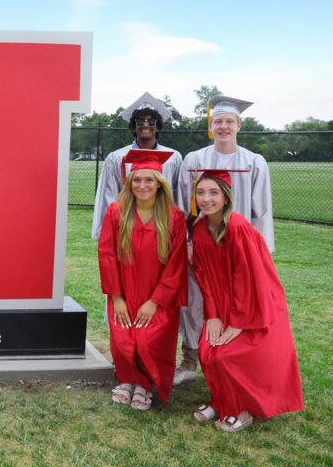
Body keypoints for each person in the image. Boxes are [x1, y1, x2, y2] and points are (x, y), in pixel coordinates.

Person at [189, 170, 302, 431]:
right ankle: (220, 400)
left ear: (226, 198)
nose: (206, 199)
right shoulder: (199, 228)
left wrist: (238, 322)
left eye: (213, 193)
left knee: (227, 355)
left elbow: (249, 278)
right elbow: (203, 275)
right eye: (201, 192)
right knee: (208, 350)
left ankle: (241, 410)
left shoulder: (238, 228)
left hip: (254, 303)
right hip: (221, 303)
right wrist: (213, 314)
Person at [173, 95, 275, 386]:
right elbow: (182, 207)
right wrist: (187, 244)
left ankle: (235, 361)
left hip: (239, 247)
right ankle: (190, 360)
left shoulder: (254, 162)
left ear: (239, 125)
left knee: (236, 303)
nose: (223, 126)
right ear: (211, 126)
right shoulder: (195, 160)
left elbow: (262, 212)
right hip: (202, 247)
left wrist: (260, 254)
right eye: (218, 121)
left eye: (229, 121)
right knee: (194, 301)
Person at [98, 149, 187, 410]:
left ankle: (145, 382)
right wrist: (117, 297)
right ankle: (128, 380)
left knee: (149, 341)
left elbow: (176, 263)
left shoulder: (174, 217)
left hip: (158, 294)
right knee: (123, 339)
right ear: (129, 183)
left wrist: (156, 301)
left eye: (149, 180)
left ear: (160, 183)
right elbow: (106, 254)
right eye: (137, 180)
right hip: (124, 289)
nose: (142, 185)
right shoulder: (117, 211)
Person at [91, 91, 182, 241]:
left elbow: (178, 196)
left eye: (152, 121)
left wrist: (179, 232)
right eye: (139, 122)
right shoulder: (117, 158)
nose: (145, 125)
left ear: (158, 127)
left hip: (163, 227)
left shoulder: (174, 158)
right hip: (128, 228)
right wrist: (108, 234)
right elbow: (109, 196)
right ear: (133, 128)